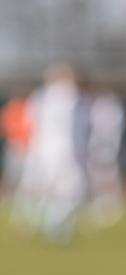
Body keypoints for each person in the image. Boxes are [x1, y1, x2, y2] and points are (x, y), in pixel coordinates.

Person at [13, 65, 90, 243]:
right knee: (73, 189)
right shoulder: (67, 94)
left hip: (40, 148)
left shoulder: (39, 96)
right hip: (61, 150)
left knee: (42, 189)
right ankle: (52, 224)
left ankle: (38, 222)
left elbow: (30, 122)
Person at [87, 87, 125, 227]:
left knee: (109, 178)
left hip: (108, 148)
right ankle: (99, 205)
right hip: (96, 148)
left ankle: (113, 205)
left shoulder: (114, 111)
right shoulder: (95, 110)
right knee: (97, 179)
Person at [1, 92, 33, 193]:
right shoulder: (11, 111)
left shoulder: (28, 108)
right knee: (12, 175)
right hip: (15, 146)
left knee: (25, 176)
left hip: (27, 148)